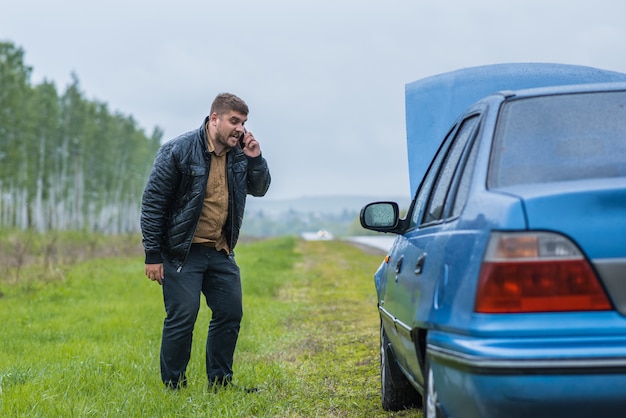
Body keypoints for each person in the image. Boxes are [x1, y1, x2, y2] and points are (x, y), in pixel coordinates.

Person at [140, 93, 271, 390]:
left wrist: (256, 158)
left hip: (221, 250)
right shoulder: (178, 150)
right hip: (183, 252)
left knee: (230, 313)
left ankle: (221, 384)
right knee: (183, 317)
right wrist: (152, 255)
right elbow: (153, 203)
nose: (240, 128)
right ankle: (174, 387)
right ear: (214, 119)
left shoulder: (239, 154)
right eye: (234, 121)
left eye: (243, 122)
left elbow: (260, 189)